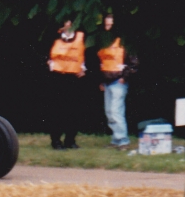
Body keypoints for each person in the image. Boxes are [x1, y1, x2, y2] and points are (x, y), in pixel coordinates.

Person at [96, 12, 137, 150]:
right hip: (107, 82)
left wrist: (124, 77)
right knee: (109, 111)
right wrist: (101, 81)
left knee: (115, 111)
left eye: (110, 24)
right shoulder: (103, 42)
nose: (108, 27)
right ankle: (116, 139)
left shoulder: (123, 42)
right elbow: (101, 63)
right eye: (106, 24)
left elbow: (133, 63)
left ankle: (123, 140)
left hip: (118, 81)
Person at [47, 19, 86, 149]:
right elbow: (45, 54)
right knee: (58, 111)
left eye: (71, 24)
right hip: (58, 78)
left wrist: (85, 69)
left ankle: (70, 140)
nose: (68, 26)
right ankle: (56, 141)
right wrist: (47, 62)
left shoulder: (81, 36)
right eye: (66, 24)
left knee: (74, 111)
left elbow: (87, 54)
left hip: (74, 78)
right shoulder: (54, 37)